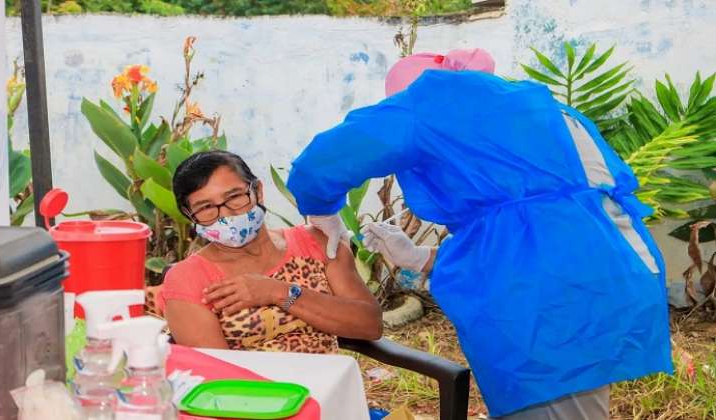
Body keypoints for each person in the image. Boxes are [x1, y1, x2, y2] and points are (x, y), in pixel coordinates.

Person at [286, 49, 672, 418]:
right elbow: (531, 229)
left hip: (545, 301)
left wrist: (321, 209)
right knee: (574, 400)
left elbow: (324, 161)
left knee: (550, 401)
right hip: (613, 269)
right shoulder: (533, 106)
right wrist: (421, 258)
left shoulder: (427, 101)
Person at [156, 151, 382, 354]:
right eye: (205, 207)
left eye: (234, 196)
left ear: (258, 192)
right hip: (253, 397)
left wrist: (279, 292)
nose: (225, 214)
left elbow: (370, 325)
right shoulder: (189, 278)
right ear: (190, 217)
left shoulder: (317, 243)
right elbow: (217, 376)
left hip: (329, 391)